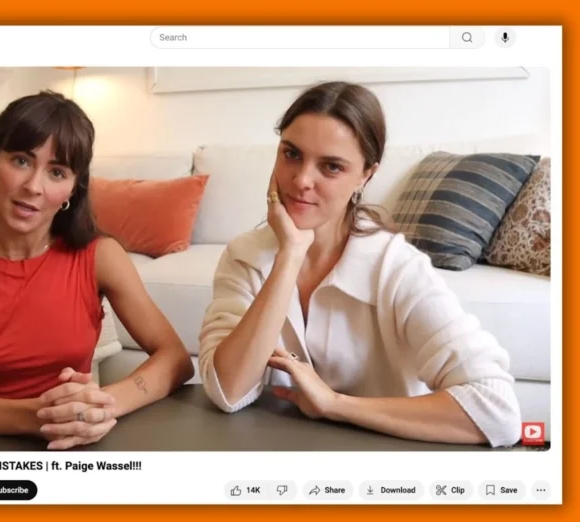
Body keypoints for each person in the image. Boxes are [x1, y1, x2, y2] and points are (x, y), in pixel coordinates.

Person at [198, 81, 523, 447]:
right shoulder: (244, 257)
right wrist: (289, 256)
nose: (302, 179)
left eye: (332, 167)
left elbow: (497, 411)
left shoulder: (397, 268)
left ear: (366, 175)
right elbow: (227, 391)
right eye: (291, 154)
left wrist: (335, 405)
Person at [0, 91, 194, 450]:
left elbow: (175, 358)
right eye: (21, 161)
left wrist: (103, 407)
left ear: (72, 187)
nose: (34, 187)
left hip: (83, 442)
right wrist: (41, 418)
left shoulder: (100, 255)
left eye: (56, 171)